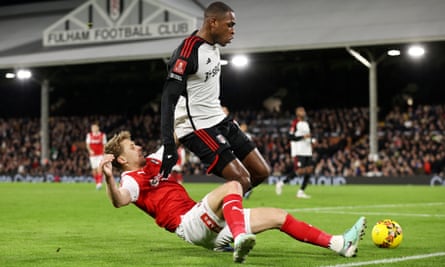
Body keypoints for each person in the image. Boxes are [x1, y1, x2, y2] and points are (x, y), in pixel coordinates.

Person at [100, 131, 366, 263]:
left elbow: (176, 135)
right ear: (122, 159)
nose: (138, 146)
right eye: (131, 146)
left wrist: (204, 116)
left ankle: (339, 243)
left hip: (203, 224)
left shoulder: (155, 161)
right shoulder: (130, 179)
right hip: (187, 223)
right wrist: (109, 178)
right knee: (234, 185)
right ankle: (239, 236)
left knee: (278, 216)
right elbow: (120, 200)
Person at [159, 1, 270, 194]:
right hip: (197, 127)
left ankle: (216, 212)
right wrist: (169, 145)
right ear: (212, 22)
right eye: (230, 25)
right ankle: (211, 218)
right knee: (241, 180)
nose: (233, 31)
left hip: (219, 118)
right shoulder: (187, 53)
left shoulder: (212, 46)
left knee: (261, 172)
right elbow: (168, 100)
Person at [277, 107, 314, 198]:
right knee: (299, 171)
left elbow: (308, 135)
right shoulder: (295, 123)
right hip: (299, 150)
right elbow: (290, 136)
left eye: (304, 111)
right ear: (297, 113)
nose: (304, 112)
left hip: (308, 150)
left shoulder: (306, 123)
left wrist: (312, 141)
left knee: (309, 170)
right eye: (301, 111)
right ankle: (281, 183)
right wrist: (303, 137)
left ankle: (301, 192)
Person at [86, 122, 107, 190]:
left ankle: (99, 183)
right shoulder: (89, 135)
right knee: (94, 170)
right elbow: (87, 144)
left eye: (94, 127)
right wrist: (90, 150)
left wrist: (104, 153)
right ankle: (97, 182)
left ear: (98, 128)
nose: (93, 129)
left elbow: (104, 145)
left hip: (100, 154)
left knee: (99, 168)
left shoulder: (102, 135)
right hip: (92, 155)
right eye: (92, 128)